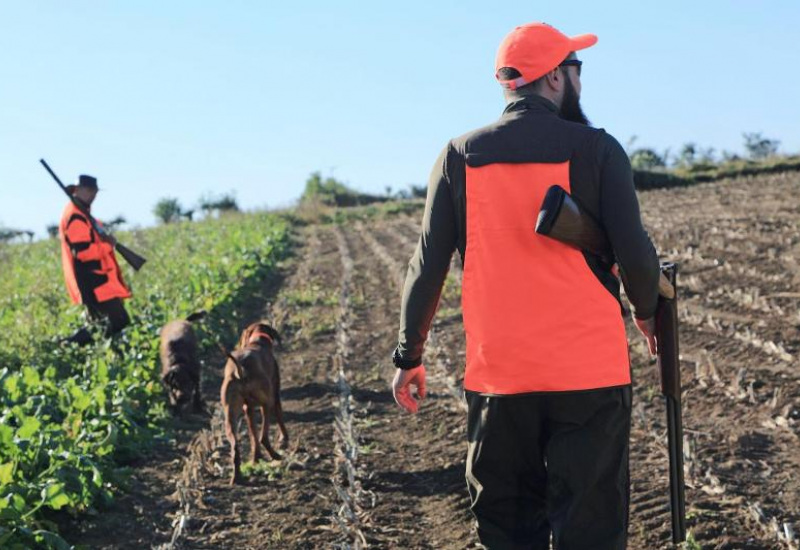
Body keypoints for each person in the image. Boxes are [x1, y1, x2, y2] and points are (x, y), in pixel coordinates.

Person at [391, 22, 661, 550]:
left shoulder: (457, 156)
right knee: (591, 527)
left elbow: (428, 264)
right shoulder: (599, 150)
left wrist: (409, 355)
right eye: (576, 69)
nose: (579, 79)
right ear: (556, 77)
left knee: (508, 529)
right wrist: (647, 310)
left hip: (500, 378)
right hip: (589, 374)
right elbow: (637, 254)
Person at [60, 174, 131, 345]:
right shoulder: (76, 217)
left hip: (98, 280)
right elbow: (83, 252)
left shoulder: (84, 215)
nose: (93, 195)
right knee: (117, 321)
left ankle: (75, 348)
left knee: (103, 324)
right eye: (90, 190)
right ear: (78, 190)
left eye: (95, 191)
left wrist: (107, 240)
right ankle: (68, 344)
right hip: (94, 281)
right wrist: (107, 246)